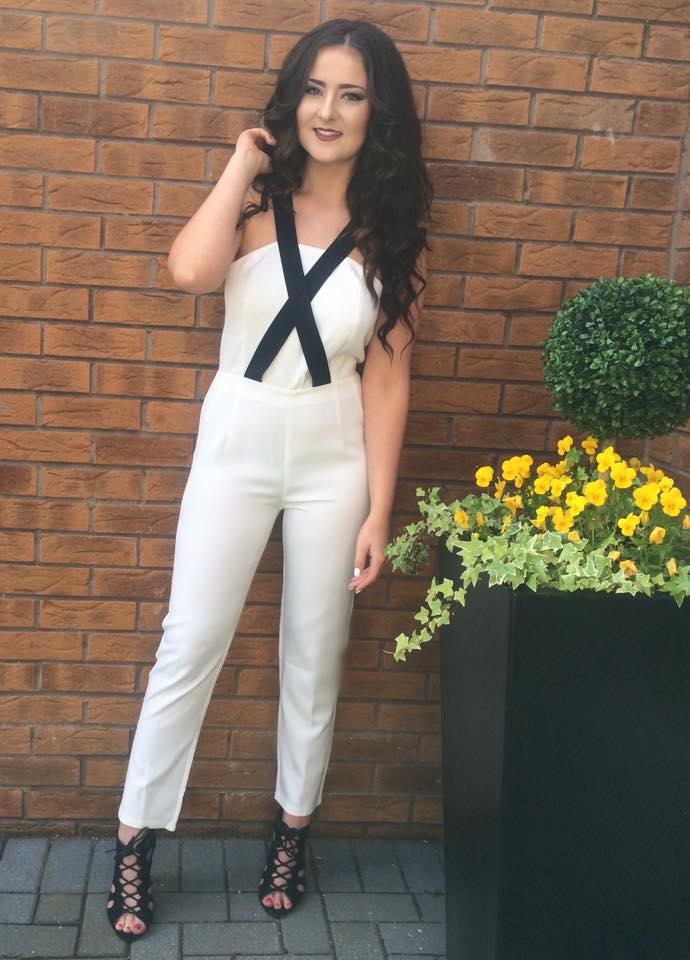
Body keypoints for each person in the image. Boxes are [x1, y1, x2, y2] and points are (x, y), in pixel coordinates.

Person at [105, 16, 431, 942]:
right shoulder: (253, 205)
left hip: (333, 450)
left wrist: (379, 507)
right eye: (315, 90)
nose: (329, 111)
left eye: (352, 95)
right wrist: (240, 164)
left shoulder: (390, 234)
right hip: (238, 436)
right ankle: (134, 837)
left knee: (315, 650)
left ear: (378, 114)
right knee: (191, 639)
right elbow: (188, 272)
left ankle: (292, 831)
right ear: (293, 100)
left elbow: (389, 377)